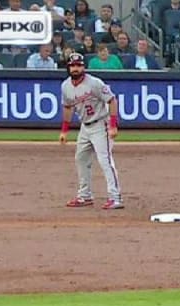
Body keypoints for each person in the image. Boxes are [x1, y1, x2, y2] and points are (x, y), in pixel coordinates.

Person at [59, 53, 124, 210]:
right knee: (81, 159)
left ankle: (115, 197)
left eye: (79, 65)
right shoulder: (65, 86)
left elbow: (112, 100)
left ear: (84, 67)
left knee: (105, 160)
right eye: (73, 66)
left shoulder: (94, 83)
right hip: (84, 127)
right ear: (68, 67)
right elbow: (68, 107)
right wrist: (64, 130)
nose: (76, 69)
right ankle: (85, 196)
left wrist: (113, 125)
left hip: (101, 124)